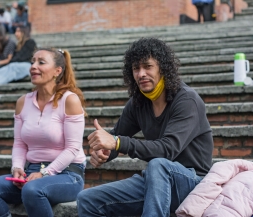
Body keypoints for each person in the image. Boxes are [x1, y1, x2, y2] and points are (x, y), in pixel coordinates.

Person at [77, 38, 214, 216]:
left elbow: (166, 150)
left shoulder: (187, 100)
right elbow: (116, 137)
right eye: (136, 68)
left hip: (194, 182)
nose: (141, 73)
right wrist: (104, 152)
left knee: (158, 165)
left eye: (148, 66)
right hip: (156, 181)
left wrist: (116, 143)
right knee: (87, 199)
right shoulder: (138, 103)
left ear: (162, 68)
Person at [0, 47, 87, 217]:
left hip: (67, 174)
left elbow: (73, 148)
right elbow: (19, 143)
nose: (33, 66)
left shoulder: (70, 100)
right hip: (32, 173)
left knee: (32, 190)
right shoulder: (23, 102)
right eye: (32, 62)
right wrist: (17, 167)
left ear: (57, 71)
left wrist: (45, 173)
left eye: (41, 62)